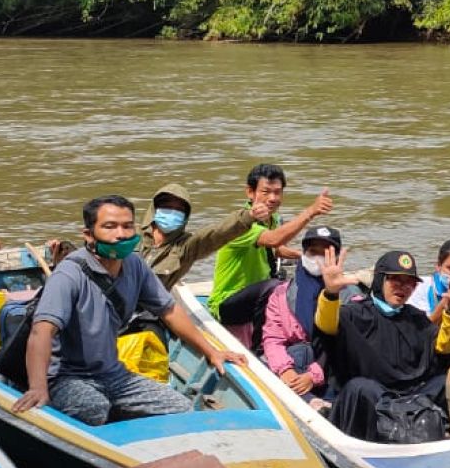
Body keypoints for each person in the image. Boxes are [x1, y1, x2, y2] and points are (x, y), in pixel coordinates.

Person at [10, 195, 244, 425]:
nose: (120, 234)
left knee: (180, 407)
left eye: (127, 226)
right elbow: (42, 331)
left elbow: (169, 311)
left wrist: (211, 352)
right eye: (109, 227)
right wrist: (38, 387)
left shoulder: (135, 265)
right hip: (65, 377)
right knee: (93, 408)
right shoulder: (68, 275)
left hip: (112, 374)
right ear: (89, 235)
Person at [315, 247, 450, 441]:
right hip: (374, 395)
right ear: (380, 280)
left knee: (448, 382)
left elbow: (443, 350)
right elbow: (325, 327)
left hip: (411, 394)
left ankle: (449, 436)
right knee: (360, 388)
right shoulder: (354, 314)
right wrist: (330, 293)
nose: (402, 287)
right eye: (395, 280)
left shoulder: (416, 318)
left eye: (409, 283)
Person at [206, 164, 333, 345]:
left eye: (277, 192)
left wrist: (308, 258)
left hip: (255, 297)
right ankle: (261, 347)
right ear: (250, 192)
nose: (272, 198)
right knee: (275, 287)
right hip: (227, 304)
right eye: (266, 192)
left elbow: (277, 248)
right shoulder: (240, 224)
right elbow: (273, 240)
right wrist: (310, 212)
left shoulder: (272, 218)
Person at [259, 225, 341, 411]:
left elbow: (346, 346)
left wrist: (314, 375)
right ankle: (311, 401)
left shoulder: (349, 295)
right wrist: (285, 370)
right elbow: (273, 338)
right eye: (313, 252)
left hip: (332, 367)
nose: (318, 258)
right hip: (296, 365)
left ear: (336, 258)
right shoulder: (281, 294)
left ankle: (322, 403)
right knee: (282, 357)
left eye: (325, 253)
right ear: (303, 253)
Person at [138, 183, 270, 290]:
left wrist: (249, 216)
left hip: (148, 310)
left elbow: (216, 234)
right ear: (154, 209)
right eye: (167, 207)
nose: (172, 212)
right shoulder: (131, 233)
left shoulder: (185, 247)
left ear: (185, 216)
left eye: (178, 210)